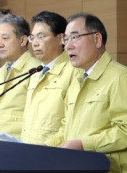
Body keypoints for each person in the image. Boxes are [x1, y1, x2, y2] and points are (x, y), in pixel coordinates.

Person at [45, 13, 127, 173]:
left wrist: (83, 144)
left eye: (74, 37)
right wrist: (44, 147)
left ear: (97, 39)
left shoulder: (120, 78)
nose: (68, 45)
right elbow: (68, 128)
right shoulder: (76, 80)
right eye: (65, 39)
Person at [21, 11, 78, 144]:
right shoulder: (35, 72)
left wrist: (47, 145)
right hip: (29, 152)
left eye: (40, 37)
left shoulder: (74, 71)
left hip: (53, 154)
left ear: (60, 39)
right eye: (32, 38)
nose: (34, 43)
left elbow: (72, 122)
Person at [0, 14, 41, 139]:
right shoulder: (0, 72)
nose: (0, 44)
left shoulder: (36, 70)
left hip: (20, 147)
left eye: (5, 38)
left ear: (23, 40)